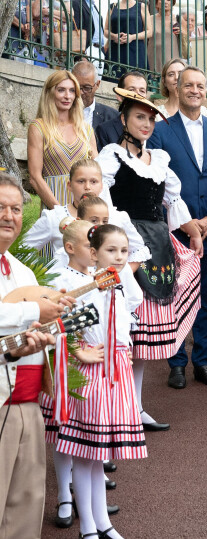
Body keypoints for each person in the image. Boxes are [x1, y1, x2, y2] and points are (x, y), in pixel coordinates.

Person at [98, 88, 202, 428]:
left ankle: (136, 407)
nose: (147, 124)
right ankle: (116, 411)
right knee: (124, 334)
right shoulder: (111, 156)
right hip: (124, 249)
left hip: (158, 245)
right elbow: (105, 206)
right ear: (124, 119)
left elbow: (172, 202)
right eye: (140, 117)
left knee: (141, 342)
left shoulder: (159, 160)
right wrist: (123, 244)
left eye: (151, 118)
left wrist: (194, 231)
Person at [53, 223, 144, 539]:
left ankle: (102, 522)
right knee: (85, 452)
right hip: (93, 372)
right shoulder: (89, 286)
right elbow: (65, 323)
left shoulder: (113, 283)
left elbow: (121, 321)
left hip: (113, 367)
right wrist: (80, 351)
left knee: (97, 455)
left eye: (123, 251)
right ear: (93, 253)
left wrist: (126, 348)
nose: (119, 257)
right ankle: (89, 529)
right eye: (111, 250)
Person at [147, 66, 207, 390]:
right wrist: (185, 220)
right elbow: (158, 179)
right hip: (176, 229)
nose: (195, 90)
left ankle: (203, 361)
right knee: (175, 295)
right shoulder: (161, 131)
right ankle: (177, 362)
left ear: (206, 90)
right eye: (189, 85)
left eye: (200, 85)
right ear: (178, 90)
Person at [0, 174, 66, 539]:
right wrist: (32, 313)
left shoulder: (22, 272)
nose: (9, 216)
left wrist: (51, 329)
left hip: (27, 403)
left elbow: (38, 327)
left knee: (26, 506)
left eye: (15, 209)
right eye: (0, 207)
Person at [27, 70, 97, 214]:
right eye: (61, 90)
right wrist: (60, 212)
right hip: (54, 208)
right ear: (50, 93)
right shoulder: (39, 127)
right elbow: (34, 177)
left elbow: (98, 173)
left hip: (85, 210)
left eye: (72, 91)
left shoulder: (86, 129)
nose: (67, 96)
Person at [95, 70, 148, 150]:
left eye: (142, 91)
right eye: (131, 90)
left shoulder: (156, 130)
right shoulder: (105, 130)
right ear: (119, 96)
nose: (137, 94)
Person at [104, 0, 151, 81]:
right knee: (113, 81)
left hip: (136, 52)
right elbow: (105, 31)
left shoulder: (141, 6)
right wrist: (115, 36)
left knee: (135, 81)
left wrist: (132, 37)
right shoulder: (112, 7)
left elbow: (150, 32)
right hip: (115, 51)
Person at [72, 60, 118, 129]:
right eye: (76, 87)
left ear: (97, 84)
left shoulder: (112, 116)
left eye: (86, 88)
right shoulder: (58, 112)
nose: (80, 92)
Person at [147, 0, 176, 70]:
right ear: (156, 4)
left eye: (168, 0)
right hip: (154, 59)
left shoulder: (178, 19)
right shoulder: (150, 19)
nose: (165, 2)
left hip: (173, 59)